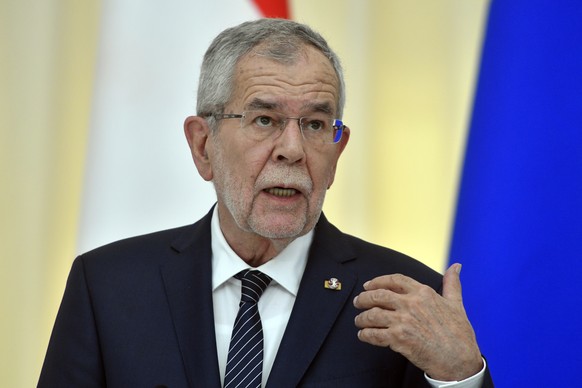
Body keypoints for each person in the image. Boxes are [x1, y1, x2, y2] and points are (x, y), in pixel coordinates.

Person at [38, 18, 493, 387]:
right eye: (264, 119)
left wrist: (460, 376)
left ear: (337, 153)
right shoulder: (108, 286)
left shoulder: (406, 297)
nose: (292, 149)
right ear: (203, 145)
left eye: (316, 124)